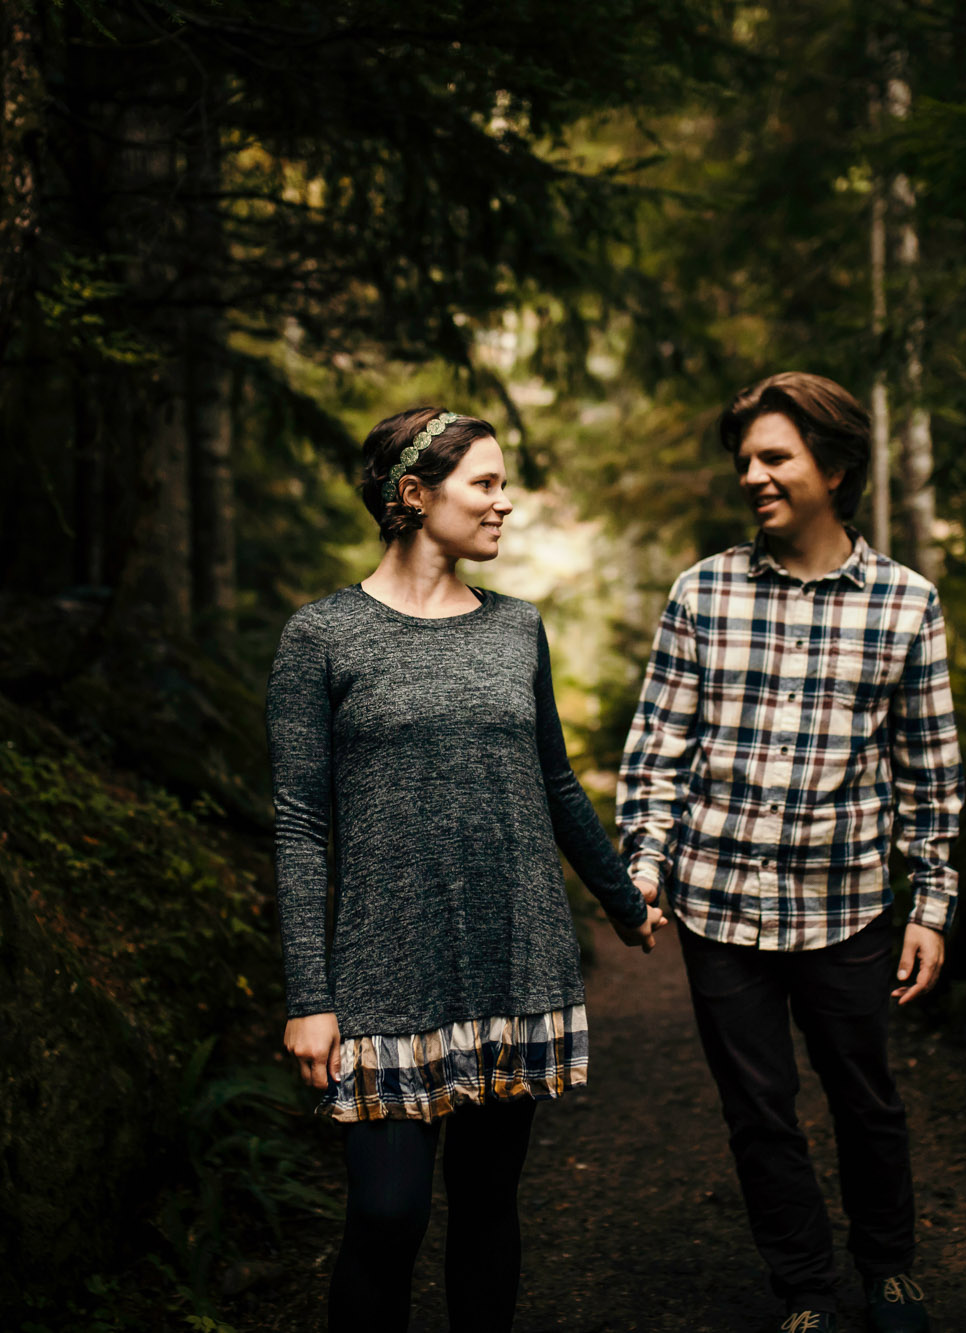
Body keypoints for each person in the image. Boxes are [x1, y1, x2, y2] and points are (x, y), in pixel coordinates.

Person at [267, 405, 668, 1332]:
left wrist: (619, 899)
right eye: (485, 483)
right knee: (387, 1212)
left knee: (488, 1209)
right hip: (382, 970)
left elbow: (557, 782)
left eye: (503, 483)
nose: (505, 503)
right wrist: (308, 994)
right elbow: (298, 825)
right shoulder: (321, 638)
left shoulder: (516, 628)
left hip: (511, 958)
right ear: (415, 495)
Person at [618, 372, 964, 1333]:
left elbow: (929, 772)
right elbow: (657, 753)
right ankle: (804, 1287)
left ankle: (889, 1269)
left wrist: (931, 903)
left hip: (846, 903)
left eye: (776, 458)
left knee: (867, 1100)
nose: (754, 477)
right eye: (746, 461)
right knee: (759, 1112)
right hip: (718, 906)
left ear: (837, 467)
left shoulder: (905, 604)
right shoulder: (704, 591)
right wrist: (642, 868)